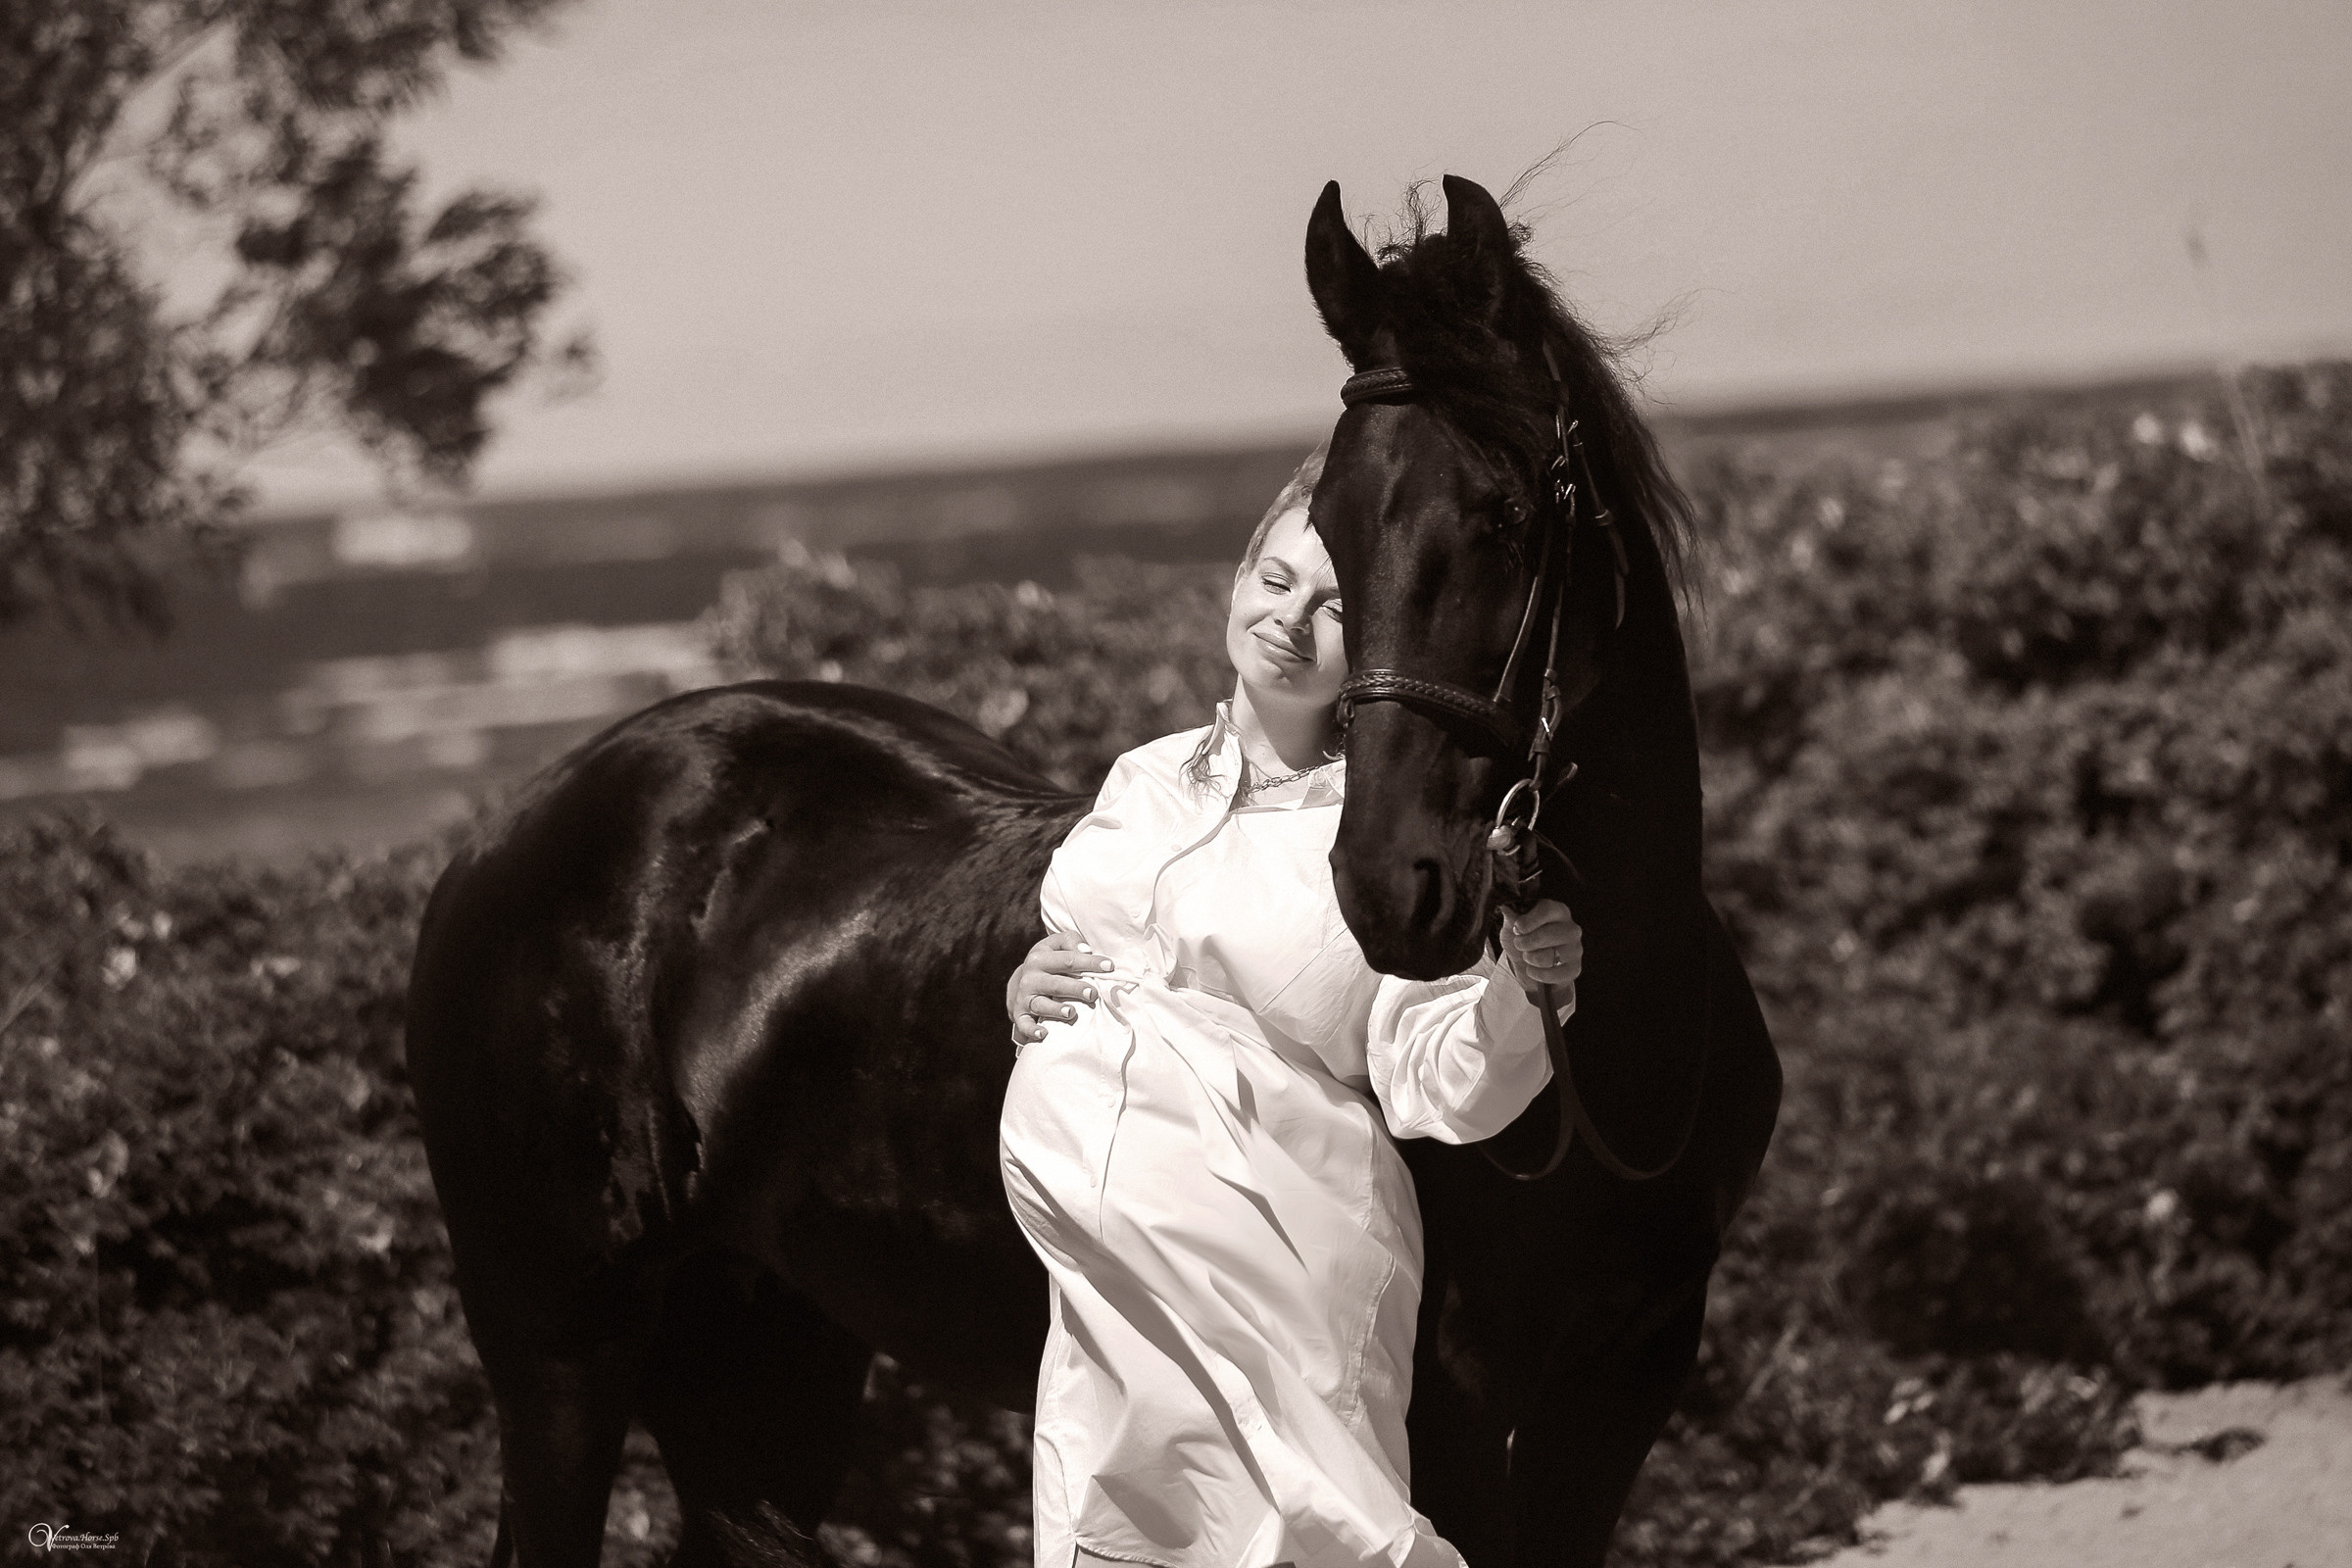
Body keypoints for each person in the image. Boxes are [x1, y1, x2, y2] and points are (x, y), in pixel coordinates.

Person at [997, 447, 1584, 1568]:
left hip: (1282, 1249)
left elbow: (1432, 1074)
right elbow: (1095, 945)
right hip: (1115, 1286)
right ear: (1237, 578)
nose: (1289, 619)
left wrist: (1527, 986)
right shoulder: (1145, 778)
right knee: (1119, 1528)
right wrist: (1030, 981)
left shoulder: (1381, 843)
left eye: (1333, 607)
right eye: (1275, 579)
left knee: (1304, 1536)